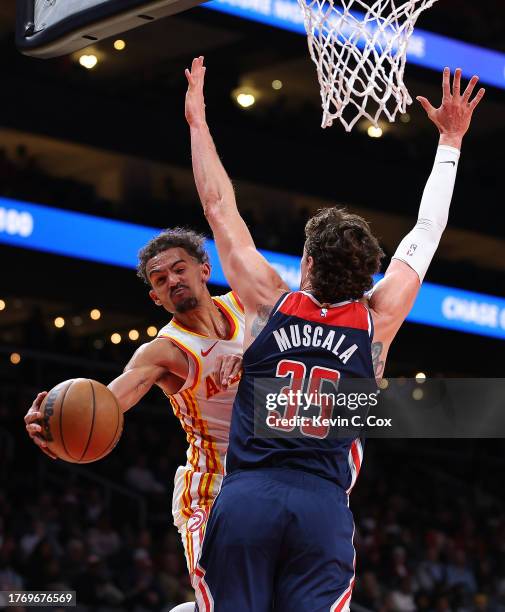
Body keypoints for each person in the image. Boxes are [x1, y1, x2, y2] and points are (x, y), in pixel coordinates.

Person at [184, 56, 484, 611]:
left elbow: (218, 208)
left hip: (248, 496)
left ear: (307, 263)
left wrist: (199, 124)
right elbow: (427, 230)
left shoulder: (269, 300)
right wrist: (451, 142)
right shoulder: (377, 319)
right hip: (321, 509)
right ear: (367, 271)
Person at [23, 228, 244, 600]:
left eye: (179, 269)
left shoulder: (245, 304)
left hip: (273, 475)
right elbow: (107, 403)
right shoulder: (163, 352)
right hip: (214, 488)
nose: (172, 280)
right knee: (226, 600)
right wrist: (56, 426)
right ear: (155, 297)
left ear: (204, 270)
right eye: (161, 280)